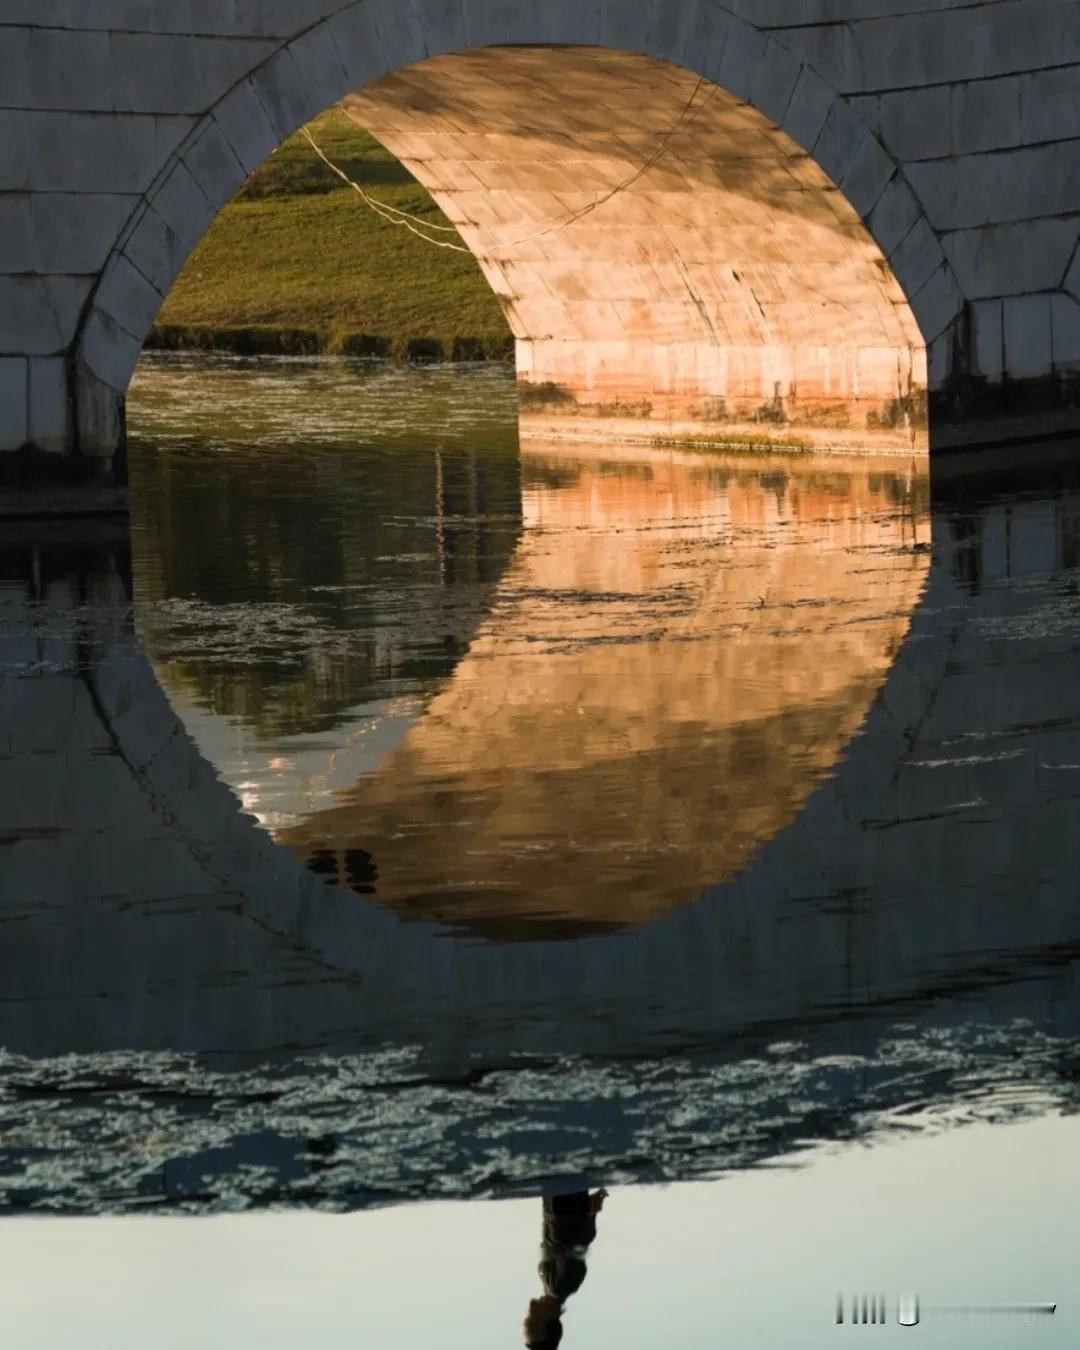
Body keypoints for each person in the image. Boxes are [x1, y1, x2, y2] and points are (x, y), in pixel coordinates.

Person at [522, 1188, 608, 1349]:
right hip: (566, 1203)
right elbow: (581, 1244)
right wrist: (591, 1212)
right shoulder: (564, 1284)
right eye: (531, 1324)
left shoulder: (550, 1285)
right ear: (547, 1321)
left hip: (555, 1201)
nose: (525, 1319)